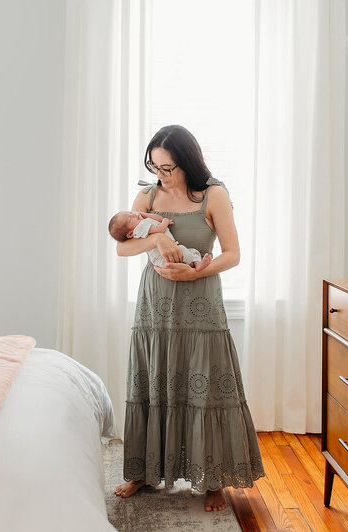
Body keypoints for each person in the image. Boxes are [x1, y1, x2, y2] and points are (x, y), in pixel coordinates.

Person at [113, 125, 265, 512]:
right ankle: (141, 472)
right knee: (152, 381)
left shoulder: (213, 194)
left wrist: (194, 272)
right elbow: (123, 249)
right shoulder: (146, 196)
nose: (160, 175)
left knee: (206, 388)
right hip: (155, 307)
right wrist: (157, 240)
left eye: (167, 167)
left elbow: (232, 253)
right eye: (154, 166)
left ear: (188, 161)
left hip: (200, 304)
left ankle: (212, 480)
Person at [108, 210, 213, 272]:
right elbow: (160, 230)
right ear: (130, 234)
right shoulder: (140, 227)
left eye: (130, 213)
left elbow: (157, 219)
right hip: (162, 257)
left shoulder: (143, 222)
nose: (134, 215)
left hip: (164, 256)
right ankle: (194, 265)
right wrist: (165, 222)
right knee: (186, 251)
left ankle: (194, 265)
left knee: (190, 252)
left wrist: (146, 215)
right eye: (130, 218)